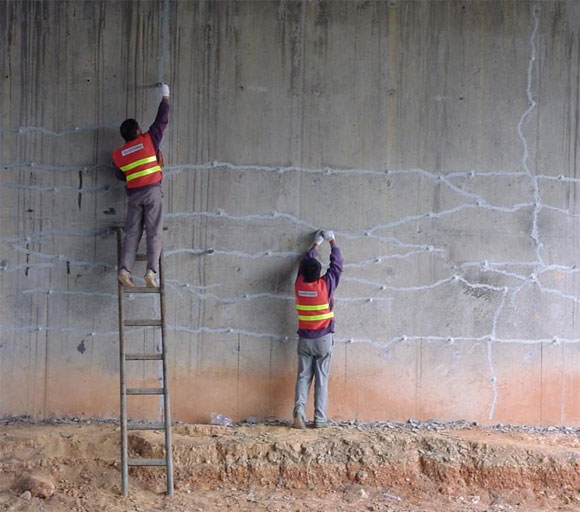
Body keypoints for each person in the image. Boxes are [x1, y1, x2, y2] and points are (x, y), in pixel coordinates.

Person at [112, 83, 170, 288]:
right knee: (154, 232)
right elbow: (162, 120)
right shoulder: (149, 139)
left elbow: (120, 175)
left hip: (133, 196)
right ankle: (151, 273)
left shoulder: (118, 155)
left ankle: (124, 270)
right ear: (137, 130)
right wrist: (165, 97)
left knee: (132, 233)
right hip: (152, 192)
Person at [293, 230, 343, 429]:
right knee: (321, 379)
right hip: (323, 339)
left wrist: (316, 244)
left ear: (303, 273)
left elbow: (304, 263)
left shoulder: (299, 284)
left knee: (303, 377)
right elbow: (337, 266)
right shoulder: (325, 285)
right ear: (318, 273)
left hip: (304, 340)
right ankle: (320, 419)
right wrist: (332, 241)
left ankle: (299, 413)